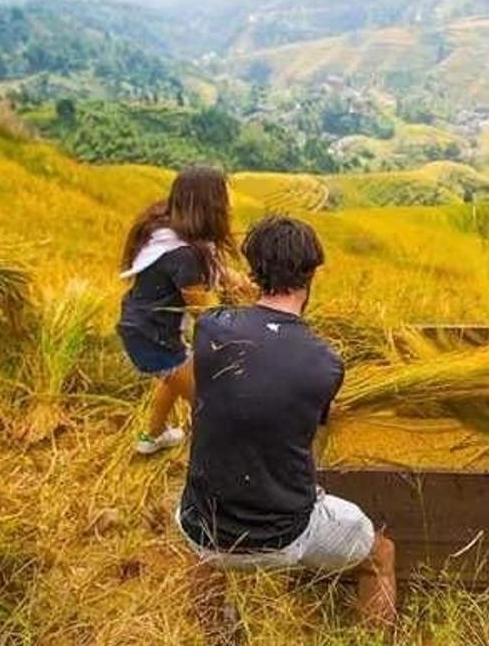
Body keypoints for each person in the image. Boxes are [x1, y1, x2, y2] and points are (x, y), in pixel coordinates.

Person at [176, 216, 397, 628]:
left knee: (203, 545)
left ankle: (211, 632)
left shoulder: (210, 329)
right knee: (381, 556)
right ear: (311, 275)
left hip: (201, 524)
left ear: (253, 272)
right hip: (285, 535)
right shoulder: (325, 363)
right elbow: (307, 438)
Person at [118, 166, 236, 455]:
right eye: (224, 199)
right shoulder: (184, 256)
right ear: (208, 206)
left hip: (144, 329)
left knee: (175, 377)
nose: (229, 206)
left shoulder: (170, 229)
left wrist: (233, 279)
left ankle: (152, 437)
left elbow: (208, 266)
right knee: (211, 404)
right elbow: (204, 314)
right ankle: (223, 464)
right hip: (153, 339)